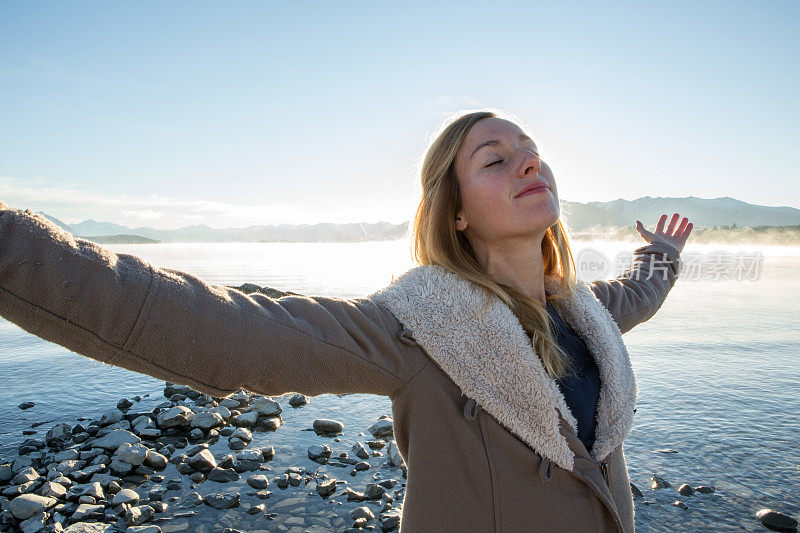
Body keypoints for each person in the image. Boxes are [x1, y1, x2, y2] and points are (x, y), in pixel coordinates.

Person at [0, 109, 693, 532]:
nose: (529, 160)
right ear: (455, 211)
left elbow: (639, 290)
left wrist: (661, 254)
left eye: (530, 148)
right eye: (496, 158)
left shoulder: (585, 313)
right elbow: (223, 329)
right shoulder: (420, 334)